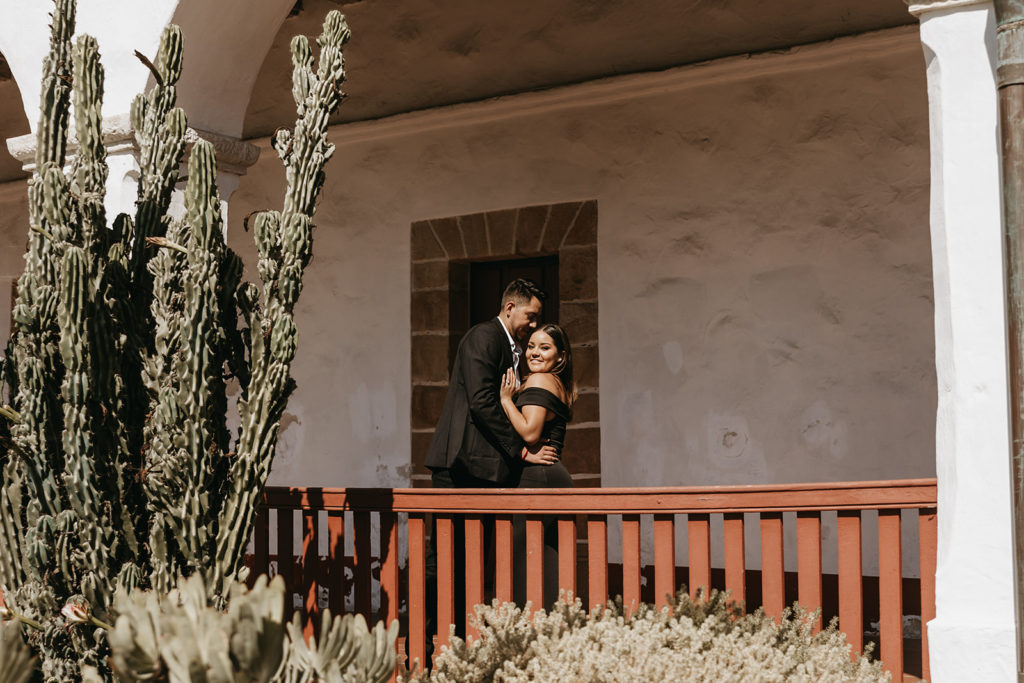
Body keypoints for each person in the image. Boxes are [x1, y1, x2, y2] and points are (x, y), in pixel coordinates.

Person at [421, 278, 557, 658]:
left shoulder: (513, 347)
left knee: (478, 564)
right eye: (531, 316)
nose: (534, 324)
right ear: (510, 308)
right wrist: (521, 451)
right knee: (447, 562)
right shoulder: (484, 337)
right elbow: (482, 402)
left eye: (538, 319)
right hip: (460, 466)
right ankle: (433, 643)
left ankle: (469, 646)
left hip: (484, 469)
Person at [499, 323, 577, 610]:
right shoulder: (556, 382)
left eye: (545, 347)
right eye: (531, 345)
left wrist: (507, 401)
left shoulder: (540, 381)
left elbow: (531, 433)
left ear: (560, 356)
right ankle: (555, 629)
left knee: (521, 559)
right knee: (548, 558)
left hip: (537, 476)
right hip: (553, 474)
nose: (534, 352)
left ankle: (526, 630)